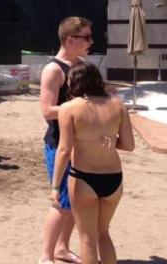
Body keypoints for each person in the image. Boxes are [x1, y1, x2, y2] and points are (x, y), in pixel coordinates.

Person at [50, 61, 134, 264]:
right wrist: (106, 141)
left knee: (87, 239)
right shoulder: (117, 105)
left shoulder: (68, 108)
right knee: (103, 233)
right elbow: (129, 145)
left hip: (83, 178)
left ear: (74, 82)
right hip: (113, 178)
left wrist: (54, 186)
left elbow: (63, 150)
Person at [38, 16, 94, 264]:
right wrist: (80, 107)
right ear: (70, 40)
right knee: (61, 201)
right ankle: (46, 255)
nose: (91, 42)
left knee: (75, 200)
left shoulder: (81, 64)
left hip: (81, 142)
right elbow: (47, 110)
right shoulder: (53, 70)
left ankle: (61, 248)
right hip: (59, 144)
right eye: (86, 37)